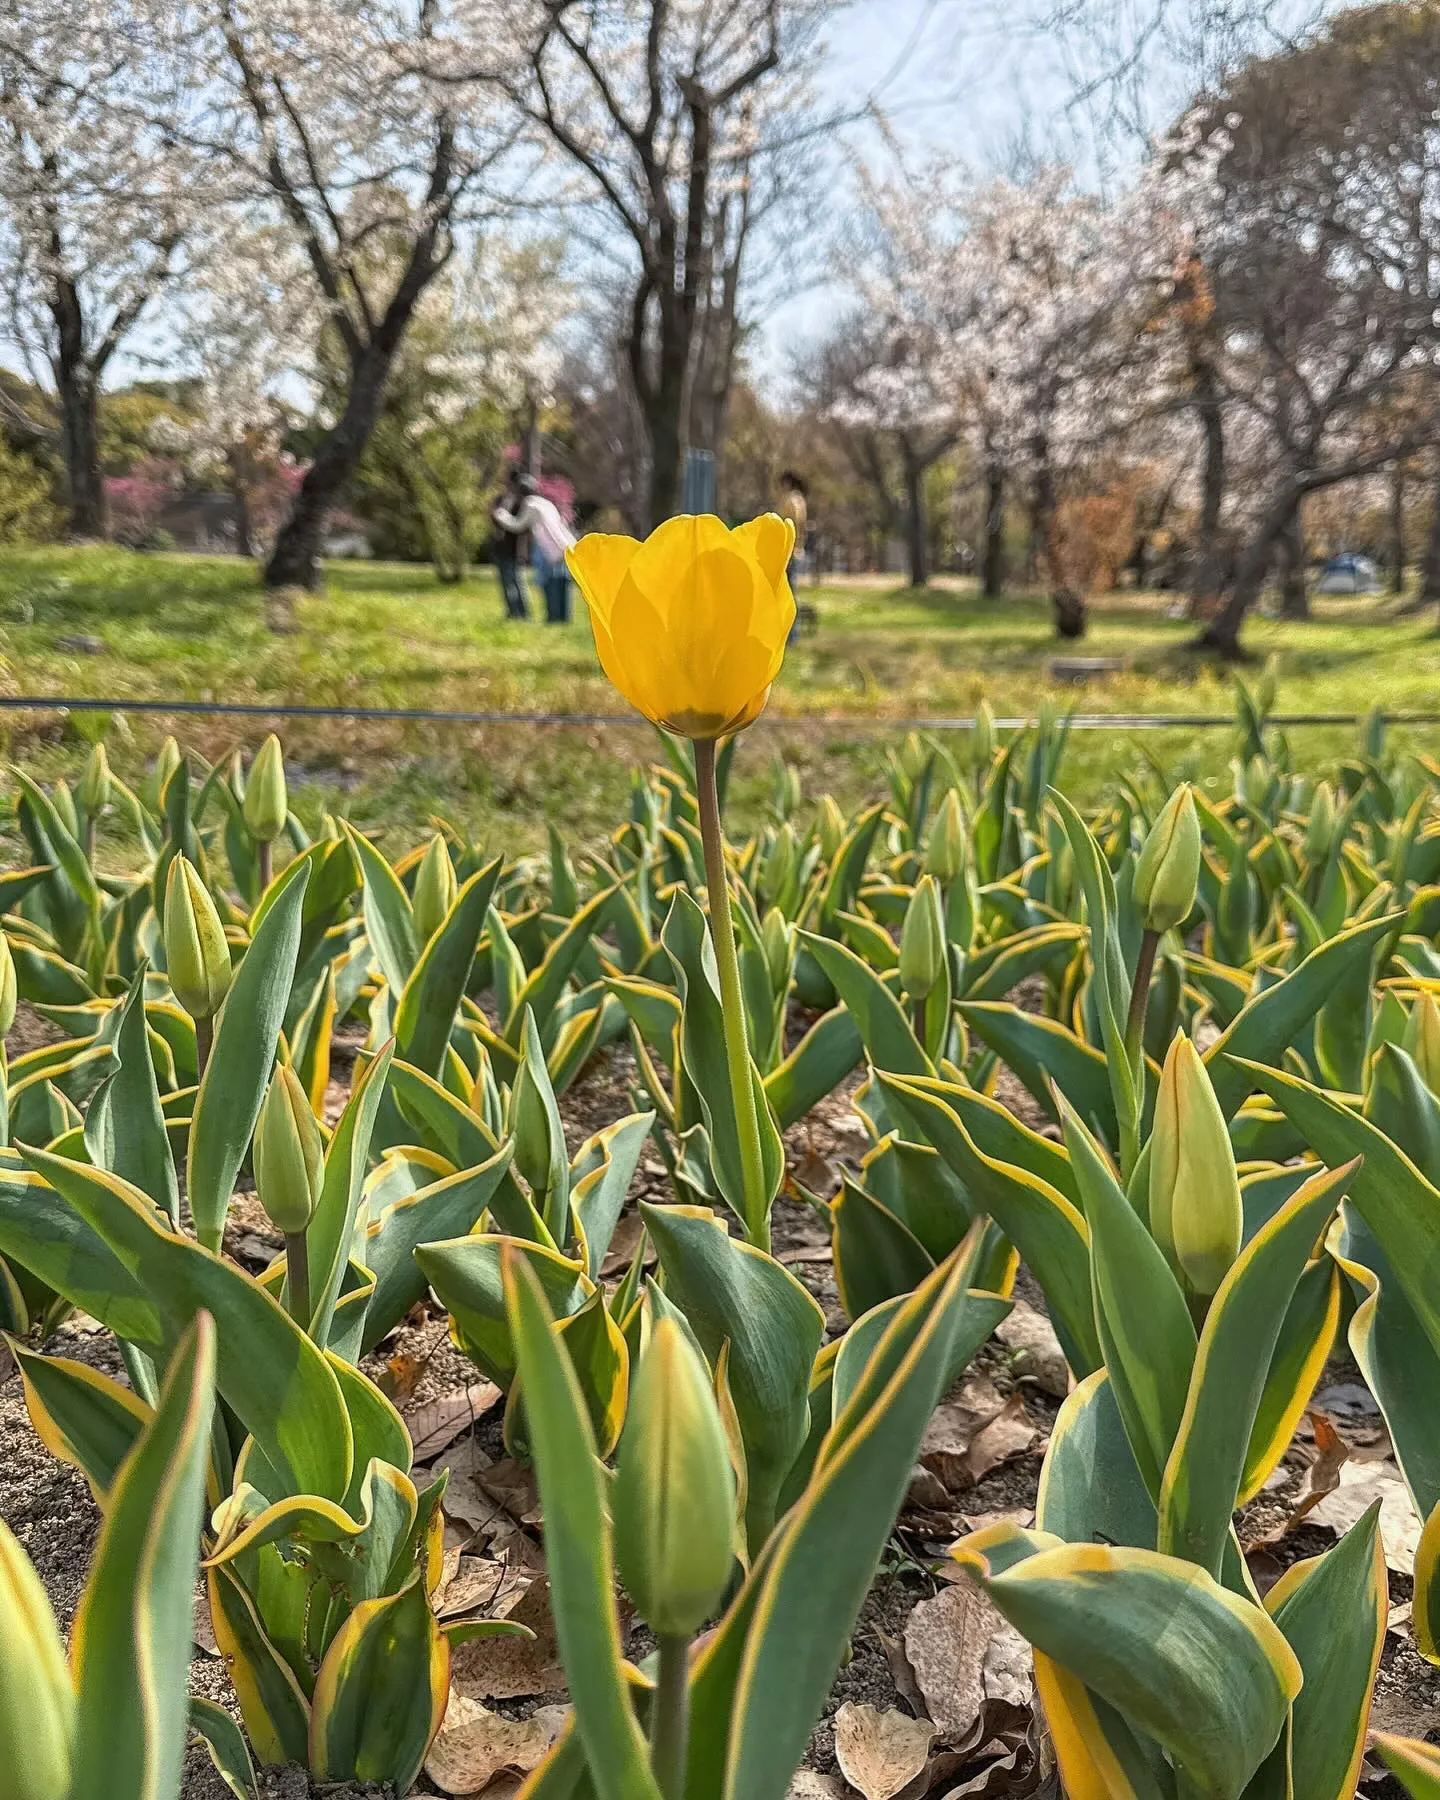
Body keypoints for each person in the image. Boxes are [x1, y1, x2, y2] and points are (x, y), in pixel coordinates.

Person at [494, 474, 577, 624]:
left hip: (548, 549)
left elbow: (518, 524)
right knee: (563, 582)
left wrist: (502, 516)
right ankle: (564, 617)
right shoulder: (545, 503)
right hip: (565, 545)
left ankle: (553, 617)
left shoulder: (531, 504)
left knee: (549, 582)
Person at [491, 470, 530, 621]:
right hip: (500, 547)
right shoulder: (501, 499)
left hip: (514, 549)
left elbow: (522, 527)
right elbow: (492, 515)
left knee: (517, 582)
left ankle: (522, 613)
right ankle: (512, 612)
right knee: (505, 582)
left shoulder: (522, 503)